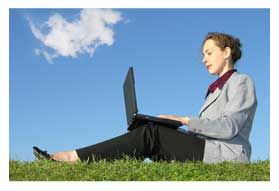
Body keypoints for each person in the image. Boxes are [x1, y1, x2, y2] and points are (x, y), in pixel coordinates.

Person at [33, 32, 257, 164]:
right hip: (208, 148)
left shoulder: (241, 81)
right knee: (151, 128)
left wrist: (185, 121)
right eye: (203, 55)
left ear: (226, 52)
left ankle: (72, 158)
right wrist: (173, 126)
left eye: (208, 53)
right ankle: (108, 158)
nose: (203, 59)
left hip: (229, 154)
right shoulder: (214, 88)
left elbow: (229, 127)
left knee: (152, 133)